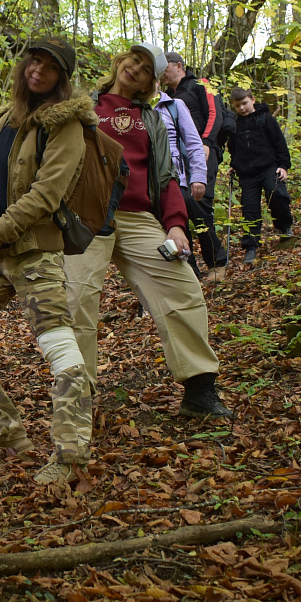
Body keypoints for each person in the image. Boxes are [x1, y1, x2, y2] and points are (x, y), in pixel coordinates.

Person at [63, 43, 231, 418]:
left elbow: (167, 176)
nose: (135, 68)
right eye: (132, 60)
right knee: (76, 301)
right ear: (120, 62)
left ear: (151, 83)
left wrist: (175, 225)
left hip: (138, 217)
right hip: (88, 218)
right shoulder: (83, 107)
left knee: (182, 286)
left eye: (145, 68)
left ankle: (199, 388)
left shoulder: (152, 119)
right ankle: (77, 402)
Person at [0, 36, 95, 485]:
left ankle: (71, 456)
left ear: (62, 79)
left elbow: (48, 193)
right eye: (35, 61)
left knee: (60, 349)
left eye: (51, 66)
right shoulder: (2, 122)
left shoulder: (65, 125)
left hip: (35, 251)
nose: (39, 70)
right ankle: (5, 429)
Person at [160, 51, 230, 280]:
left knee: (199, 205)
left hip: (203, 150)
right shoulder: (167, 97)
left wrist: (206, 142)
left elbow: (215, 113)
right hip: (177, 158)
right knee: (179, 205)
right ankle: (189, 269)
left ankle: (217, 262)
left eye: (165, 67)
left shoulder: (202, 84)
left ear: (179, 66)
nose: (162, 73)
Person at [226, 89, 294, 267]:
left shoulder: (266, 119)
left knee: (276, 193)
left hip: (269, 167)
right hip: (247, 174)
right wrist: (234, 164)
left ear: (253, 100)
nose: (242, 108)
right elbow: (233, 148)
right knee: (249, 209)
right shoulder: (235, 125)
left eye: (245, 103)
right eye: (238, 105)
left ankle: (284, 226)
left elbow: (279, 143)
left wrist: (283, 166)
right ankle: (251, 246)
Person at [155, 84, 207, 278]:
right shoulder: (133, 108)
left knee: (179, 228)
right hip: (146, 185)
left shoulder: (174, 106)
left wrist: (199, 177)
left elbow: (193, 142)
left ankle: (190, 274)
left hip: (177, 180)